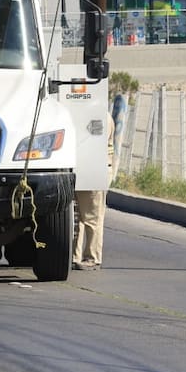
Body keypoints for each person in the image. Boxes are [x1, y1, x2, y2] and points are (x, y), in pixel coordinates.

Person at [73, 112, 115, 270]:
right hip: (81, 169)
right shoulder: (86, 113)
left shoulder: (101, 117)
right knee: (76, 217)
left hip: (94, 170)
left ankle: (92, 257)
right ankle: (74, 256)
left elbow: (94, 142)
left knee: (92, 217)